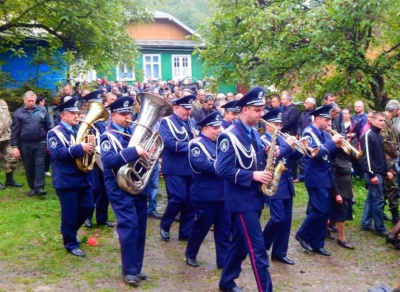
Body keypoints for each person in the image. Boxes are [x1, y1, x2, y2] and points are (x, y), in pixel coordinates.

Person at [216, 86, 273, 292]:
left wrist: (266, 154)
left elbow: (252, 160)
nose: (261, 114)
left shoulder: (254, 134)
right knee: (258, 249)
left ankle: (226, 281)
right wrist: (253, 175)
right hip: (241, 200)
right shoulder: (229, 136)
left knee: (240, 243)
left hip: (255, 198)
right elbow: (221, 170)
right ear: (245, 109)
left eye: (262, 110)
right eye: (257, 110)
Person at [100, 96, 150, 286]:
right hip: (118, 187)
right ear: (113, 116)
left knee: (140, 227)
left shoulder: (134, 132)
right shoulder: (108, 136)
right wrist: (133, 151)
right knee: (129, 226)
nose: (127, 117)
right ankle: (129, 271)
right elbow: (108, 161)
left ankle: (136, 267)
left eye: (129, 113)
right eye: (123, 114)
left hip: (137, 185)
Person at [47, 96, 95, 257]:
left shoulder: (78, 130)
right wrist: (80, 148)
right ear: (63, 115)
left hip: (82, 178)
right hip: (66, 180)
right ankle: (70, 243)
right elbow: (57, 153)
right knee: (70, 212)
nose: (77, 116)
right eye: (73, 113)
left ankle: (70, 231)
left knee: (88, 206)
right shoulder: (55, 133)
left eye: (77, 113)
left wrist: (90, 147)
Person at [296, 104, 343, 256]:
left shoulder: (322, 133)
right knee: (319, 210)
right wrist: (332, 142)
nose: (329, 124)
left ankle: (317, 243)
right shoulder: (309, 133)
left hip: (325, 176)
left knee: (324, 212)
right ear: (318, 119)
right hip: (316, 177)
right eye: (326, 120)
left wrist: (338, 146)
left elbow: (328, 154)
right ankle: (302, 234)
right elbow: (316, 153)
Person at [185, 111, 230, 269]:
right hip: (206, 194)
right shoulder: (197, 144)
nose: (219, 130)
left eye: (219, 127)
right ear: (205, 128)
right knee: (201, 227)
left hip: (222, 193)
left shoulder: (220, 143)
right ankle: (190, 253)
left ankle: (223, 261)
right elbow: (201, 165)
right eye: (215, 127)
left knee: (224, 229)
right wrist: (224, 167)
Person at [260, 108, 301, 265]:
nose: (280, 127)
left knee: (287, 220)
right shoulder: (264, 140)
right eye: (276, 124)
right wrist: (286, 145)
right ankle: (262, 246)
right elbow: (274, 157)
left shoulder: (281, 139)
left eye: (280, 123)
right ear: (268, 125)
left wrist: (299, 147)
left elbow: (292, 156)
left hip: (286, 183)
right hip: (273, 183)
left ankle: (279, 252)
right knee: (278, 218)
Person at [159, 95, 197, 241]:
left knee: (190, 201)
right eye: (185, 109)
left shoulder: (191, 121)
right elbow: (168, 143)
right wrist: (192, 144)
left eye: (190, 109)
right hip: (174, 168)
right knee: (178, 198)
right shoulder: (166, 122)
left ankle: (185, 232)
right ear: (175, 107)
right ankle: (165, 224)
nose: (188, 112)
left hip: (190, 167)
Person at [81, 90, 115, 228]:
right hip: (91, 159)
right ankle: (87, 216)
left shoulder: (102, 122)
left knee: (105, 189)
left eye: (100, 102)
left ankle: (102, 217)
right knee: (93, 189)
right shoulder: (84, 122)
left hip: (102, 158)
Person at [11, 91, 51, 196]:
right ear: (24, 100)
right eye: (29, 101)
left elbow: (48, 126)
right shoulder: (18, 113)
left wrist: (49, 141)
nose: (31, 103)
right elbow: (15, 131)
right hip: (25, 143)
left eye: (33, 101)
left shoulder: (42, 110)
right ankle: (32, 187)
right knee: (29, 166)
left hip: (40, 142)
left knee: (40, 164)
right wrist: (15, 146)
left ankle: (39, 187)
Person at [360, 111, 393, 237]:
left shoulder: (378, 135)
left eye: (383, 121)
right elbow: (366, 158)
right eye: (380, 120)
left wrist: (386, 171)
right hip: (372, 174)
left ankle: (366, 223)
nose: (382, 123)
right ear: (371, 121)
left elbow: (380, 157)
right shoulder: (368, 135)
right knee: (379, 200)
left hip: (379, 172)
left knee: (371, 198)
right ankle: (379, 227)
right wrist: (372, 175)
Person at [380, 100, 400, 225]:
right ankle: (395, 215)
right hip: (388, 160)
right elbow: (386, 142)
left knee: (385, 188)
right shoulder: (383, 121)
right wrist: (398, 154)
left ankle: (380, 211)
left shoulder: (391, 121)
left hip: (392, 159)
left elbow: (396, 136)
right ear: (395, 110)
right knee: (392, 188)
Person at [0, 98, 23, 189]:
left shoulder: (3, 102)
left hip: (6, 137)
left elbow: (8, 119)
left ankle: (9, 180)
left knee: (13, 156)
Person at [294, 97, 316, 183]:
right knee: (301, 157)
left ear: (311, 105)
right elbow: (299, 124)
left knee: (309, 156)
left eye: (306, 103)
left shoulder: (314, 114)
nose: (304, 104)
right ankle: (301, 176)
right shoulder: (303, 114)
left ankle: (307, 175)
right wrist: (299, 133)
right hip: (302, 138)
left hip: (310, 138)